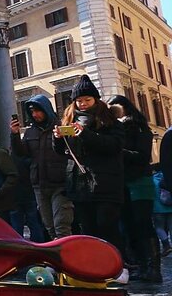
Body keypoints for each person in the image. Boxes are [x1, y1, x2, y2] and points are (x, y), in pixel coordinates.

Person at [52, 75, 126, 276]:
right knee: (88, 230)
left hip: (106, 183)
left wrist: (85, 134)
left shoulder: (110, 121)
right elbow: (63, 152)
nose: (83, 104)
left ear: (96, 100)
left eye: (87, 100)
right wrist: (58, 138)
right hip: (80, 183)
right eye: (79, 100)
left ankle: (116, 267)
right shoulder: (69, 118)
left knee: (107, 227)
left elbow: (114, 146)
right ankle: (93, 269)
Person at [107, 95, 158, 283]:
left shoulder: (138, 128)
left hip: (139, 181)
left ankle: (152, 267)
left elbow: (143, 156)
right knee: (130, 226)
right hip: (125, 183)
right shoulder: (117, 129)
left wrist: (118, 151)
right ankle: (142, 266)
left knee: (143, 224)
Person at [11, 96, 72, 239]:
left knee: (61, 225)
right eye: (32, 112)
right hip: (39, 184)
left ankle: (67, 257)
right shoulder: (30, 132)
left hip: (60, 184)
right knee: (49, 225)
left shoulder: (61, 127)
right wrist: (14, 135)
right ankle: (57, 256)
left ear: (46, 109)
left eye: (38, 111)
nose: (34, 115)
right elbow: (21, 153)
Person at [152, 164, 172, 258]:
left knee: (159, 227)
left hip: (158, 209)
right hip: (170, 208)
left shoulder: (153, 180)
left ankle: (166, 245)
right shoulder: (168, 178)